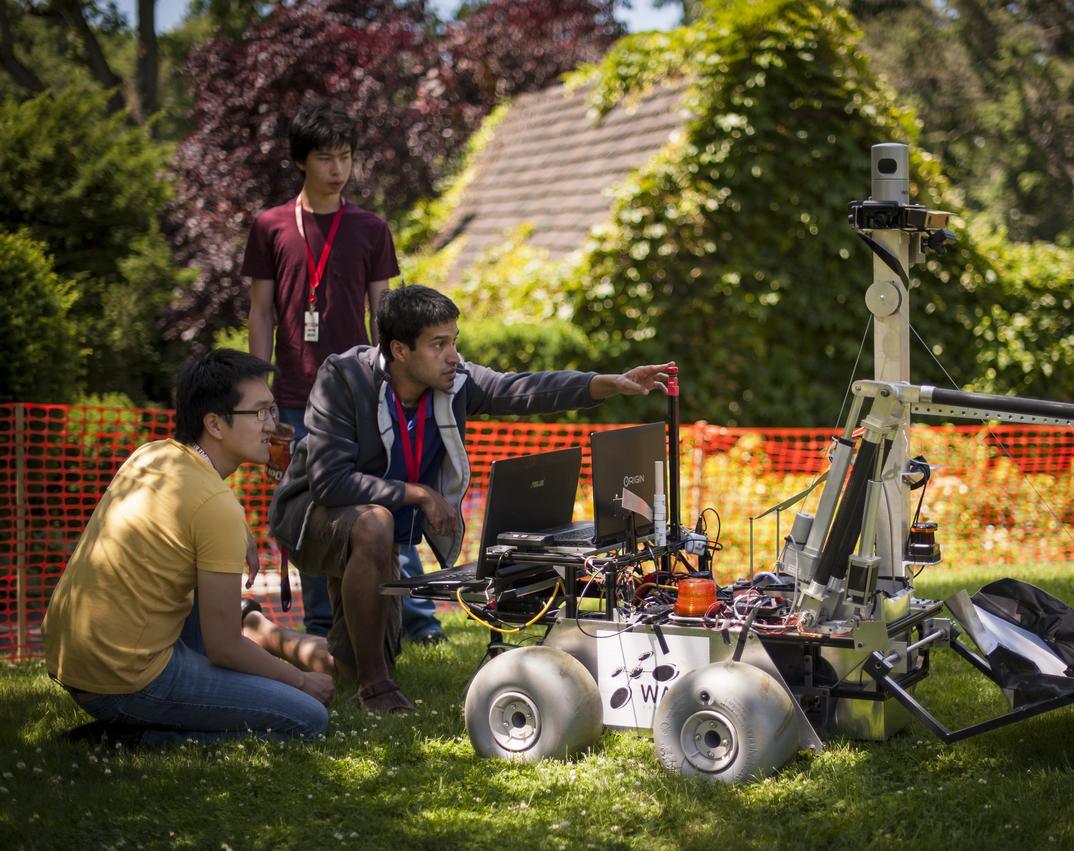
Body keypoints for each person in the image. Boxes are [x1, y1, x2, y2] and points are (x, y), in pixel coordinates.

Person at [269, 285, 672, 713]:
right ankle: (377, 687)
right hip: (310, 517)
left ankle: (263, 634)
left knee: (345, 664)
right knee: (375, 524)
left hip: (371, 529)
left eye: (454, 341)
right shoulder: (343, 378)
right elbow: (330, 483)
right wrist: (419, 494)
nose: (453, 356)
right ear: (400, 350)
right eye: (439, 344)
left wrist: (605, 384)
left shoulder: (456, 382)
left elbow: (520, 389)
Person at [43, 350, 335, 745]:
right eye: (261, 413)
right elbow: (225, 647)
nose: (274, 425)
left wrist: (240, 532)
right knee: (309, 720)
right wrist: (302, 680)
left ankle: (148, 718)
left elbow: (187, 518)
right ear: (214, 423)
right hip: (125, 680)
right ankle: (132, 737)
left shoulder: (153, 454)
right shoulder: (216, 506)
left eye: (272, 410)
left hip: (71, 658)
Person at [242, 102, 445, 643]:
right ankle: (320, 626)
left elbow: (389, 313)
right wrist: (260, 390)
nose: (338, 168)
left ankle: (419, 623)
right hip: (292, 395)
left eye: (346, 157)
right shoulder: (270, 227)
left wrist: (399, 382)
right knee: (313, 512)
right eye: (326, 158)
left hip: (363, 396)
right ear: (301, 162)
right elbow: (260, 312)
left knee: (385, 500)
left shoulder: (371, 228)